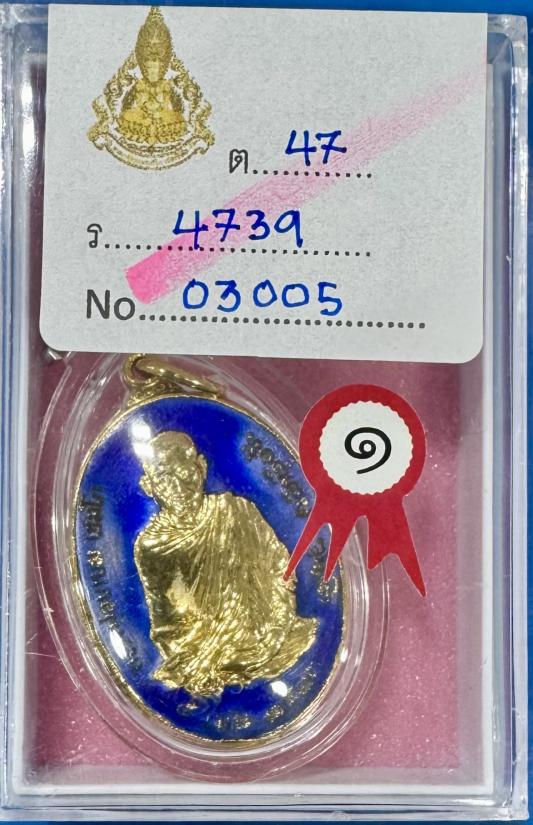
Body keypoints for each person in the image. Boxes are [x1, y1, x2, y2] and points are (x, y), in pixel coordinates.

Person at [134, 431, 316, 696]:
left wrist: (277, 620)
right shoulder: (152, 546)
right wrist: (203, 655)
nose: (177, 486)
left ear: (201, 467)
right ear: (148, 486)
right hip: (200, 653)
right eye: (163, 477)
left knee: (298, 638)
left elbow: (279, 566)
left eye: (183, 471)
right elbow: (166, 625)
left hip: (267, 633)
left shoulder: (236, 511)